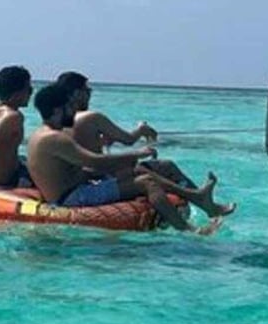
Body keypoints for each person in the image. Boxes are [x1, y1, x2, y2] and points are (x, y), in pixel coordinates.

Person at [25, 82, 235, 234]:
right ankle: (190, 231)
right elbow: (94, 161)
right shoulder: (54, 138)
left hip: (72, 189)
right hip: (71, 198)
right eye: (69, 107)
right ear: (57, 110)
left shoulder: (42, 133)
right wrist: (136, 154)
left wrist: (129, 163)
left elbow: (78, 168)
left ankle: (198, 197)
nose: (74, 111)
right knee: (147, 183)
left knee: (137, 171)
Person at [55, 70, 202, 191]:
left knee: (141, 168)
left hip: (80, 176)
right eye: (87, 90)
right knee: (167, 166)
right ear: (76, 93)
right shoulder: (92, 117)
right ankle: (198, 198)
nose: (90, 94)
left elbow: (78, 144)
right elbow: (128, 140)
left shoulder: (57, 119)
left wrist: (100, 141)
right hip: (97, 174)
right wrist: (142, 130)